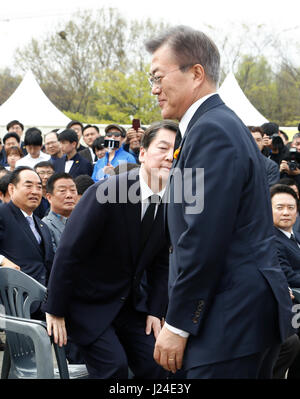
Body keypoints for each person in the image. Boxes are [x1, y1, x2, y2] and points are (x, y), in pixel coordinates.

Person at [145, 25, 293, 379]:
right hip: (236, 316)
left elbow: (203, 237)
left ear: (196, 73)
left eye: (158, 77)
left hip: (228, 320)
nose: (154, 90)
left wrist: (178, 325)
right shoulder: (215, 125)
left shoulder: (212, 130)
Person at [42, 120, 177, 379]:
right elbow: (70, 251)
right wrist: (55, 309)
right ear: (143, 153)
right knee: (114, 367)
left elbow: (162, 261)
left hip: (129, 305)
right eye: (163, 147)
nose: (170, 156)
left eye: (177, 150)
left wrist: (155, 310)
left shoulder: (173, 199)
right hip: (87, 304)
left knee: (161, 365)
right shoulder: (106, 191)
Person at [0, 166, 53, 287]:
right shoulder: (3, 213)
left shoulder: (42, 225)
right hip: (12, 299)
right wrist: (2, 261)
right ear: (12, 189)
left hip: (43, 298)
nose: (35, 191)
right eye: (28, 186)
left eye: (39, 187)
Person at [42, 172, 77, 252]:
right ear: (49, 197)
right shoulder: (45, 226)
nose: (69, 195)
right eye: (62, 191)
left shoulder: (85, 222)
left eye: (73, 190)